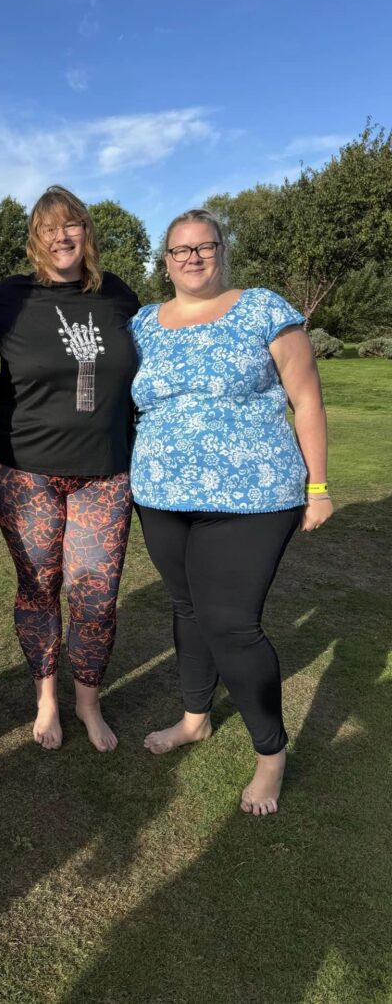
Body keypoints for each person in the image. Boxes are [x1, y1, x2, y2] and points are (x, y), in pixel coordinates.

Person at [129, 208, 333, 815]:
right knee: (188, 608)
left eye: (204, 246)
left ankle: (271, 753)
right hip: (162, 496)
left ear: (222, 249)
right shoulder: (143, 323)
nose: (192, 257)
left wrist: (318, 486)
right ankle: (195, 719)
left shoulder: (263, 308)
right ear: (165, 261)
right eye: (179, 250)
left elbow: (307, 399)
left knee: (231, 624)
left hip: (253, 497)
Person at [0, 186, 140, 752]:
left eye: (71, 225)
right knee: (40, 585)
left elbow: (150, 364)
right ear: (34, 239)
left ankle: (87, 702)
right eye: (48, 228)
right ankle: (46, 696)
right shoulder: (10, 298)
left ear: (86, 233)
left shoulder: (117, 295)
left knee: (96, 594)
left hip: (105, 472)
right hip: (25, 472)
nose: (61, 236)